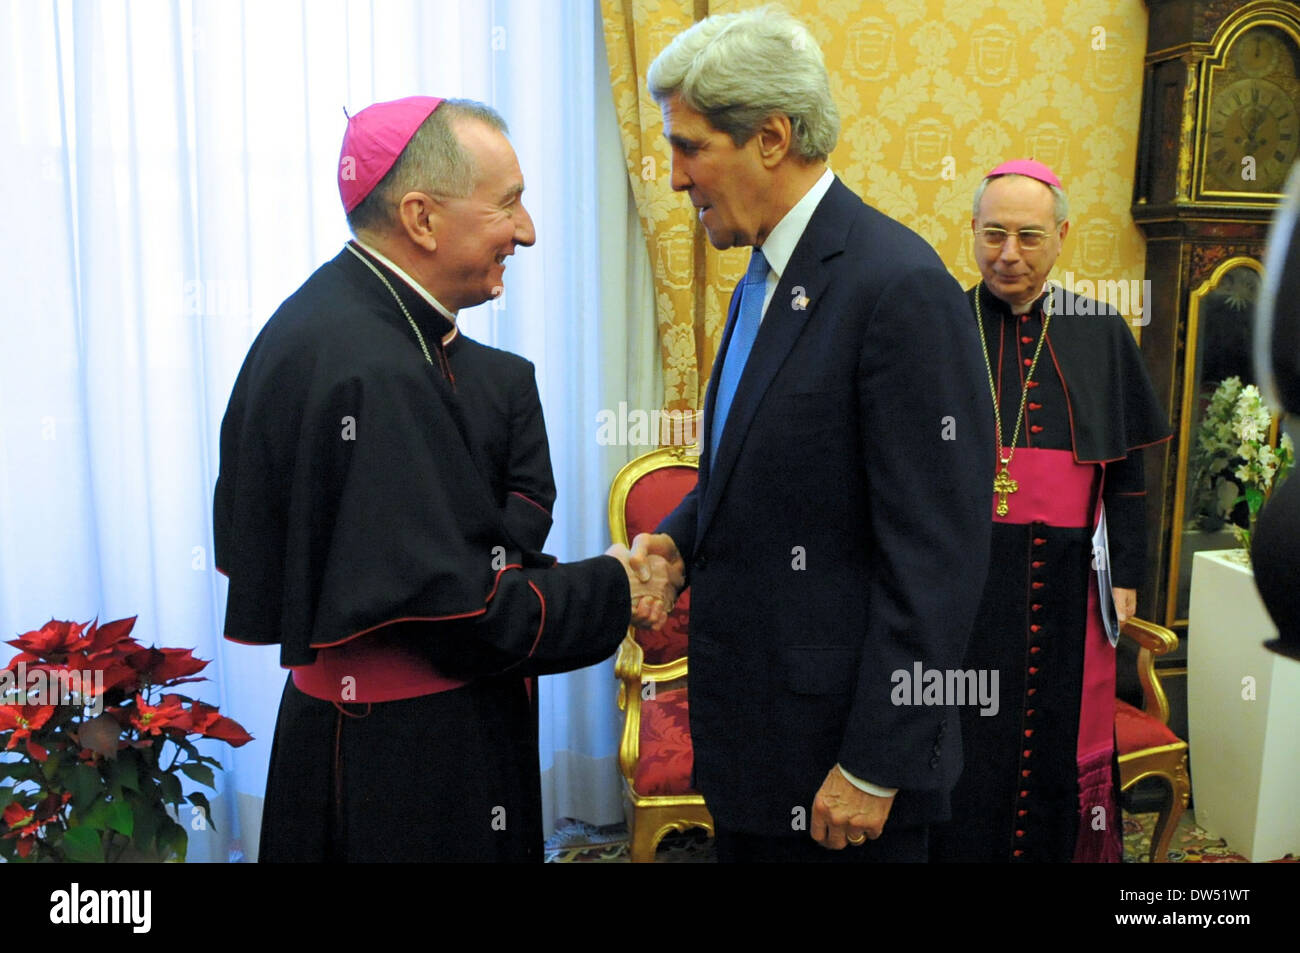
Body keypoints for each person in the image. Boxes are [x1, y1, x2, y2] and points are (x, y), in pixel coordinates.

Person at [213, 96, 675, 862]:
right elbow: (467, 614)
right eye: (508, 203)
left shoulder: (324, 323)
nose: (526, 231)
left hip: (343, 738)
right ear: (422, 218)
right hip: (413, 768)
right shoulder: (380, 365)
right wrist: (616, 587)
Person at [629, 9, 994, 862]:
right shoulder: (757, 280)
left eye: (690, 147)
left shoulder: (898, 288)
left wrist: (875, 763)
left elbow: (939, 557)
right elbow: (757, 469)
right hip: (757, 744)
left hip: (846, 769)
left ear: (771, 137)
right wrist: (680, 542)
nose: (676, 177)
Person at [929, 159, 1172, 863]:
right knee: (967, 727)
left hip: (1068, 576)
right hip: (965, 576)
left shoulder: (1098, 331)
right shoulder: (941, 324)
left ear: (1062, 235)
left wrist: (1125, 574)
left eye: (1029, 236)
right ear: (972, 231)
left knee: (1053, 730)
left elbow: (1128, 475)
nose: (1009, 254)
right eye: (994, 234)